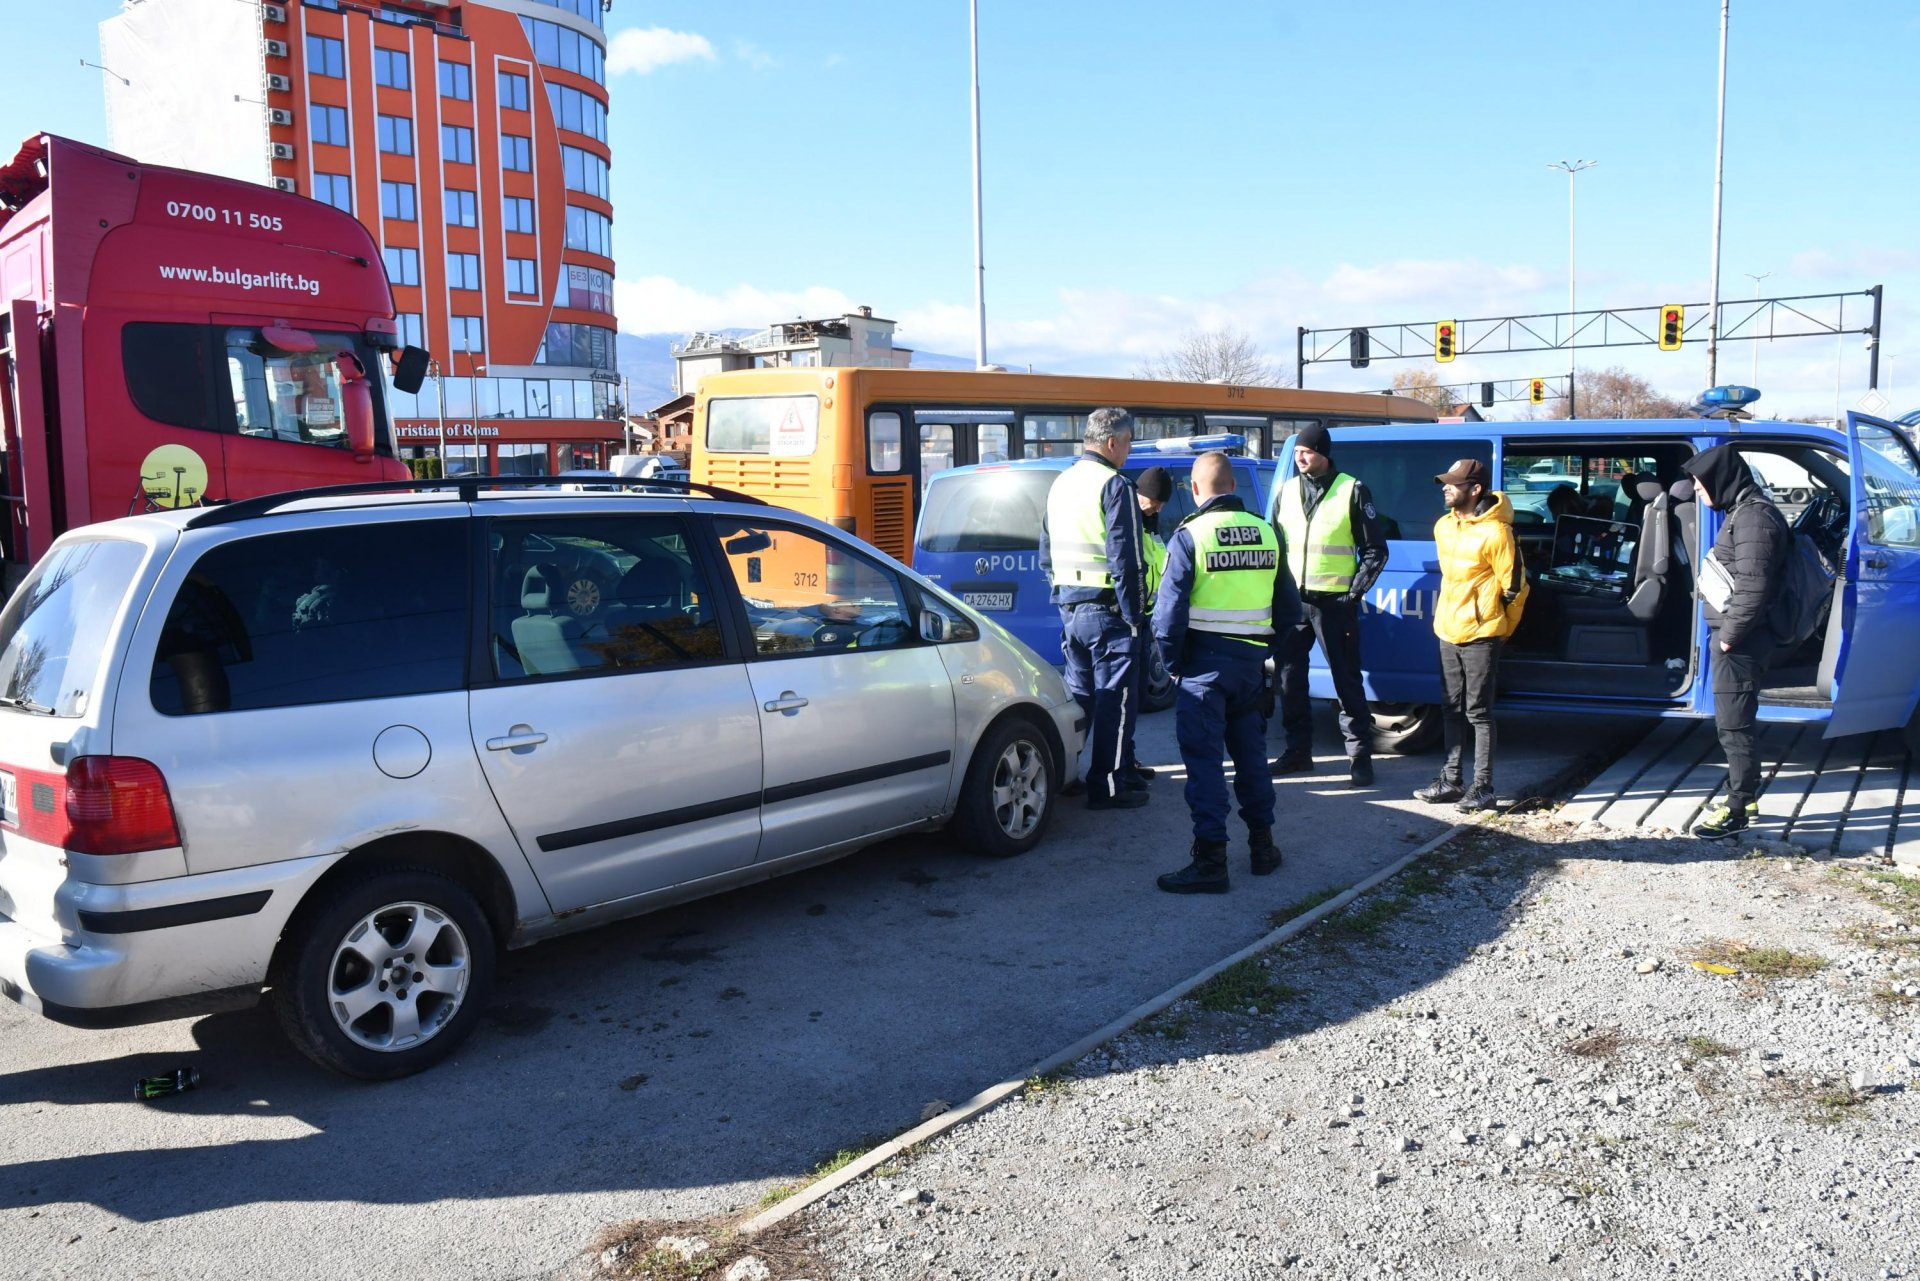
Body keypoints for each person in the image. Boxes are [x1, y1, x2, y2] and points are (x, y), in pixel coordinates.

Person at [1152, 452, 1301, 893]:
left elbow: (1168, 615)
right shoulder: (1267, 533)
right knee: (1252, 759)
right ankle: (1263, 847)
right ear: (1233, 486)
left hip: (1203, 668)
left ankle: (1211, 861)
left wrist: (1175, 664)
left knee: (1205, 766)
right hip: (1249, 667)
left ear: (1196, 489)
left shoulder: (1189, 536)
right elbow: (1289, 611)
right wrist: (1259, 649)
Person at [1038, 407, 1149, 810]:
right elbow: (1128, 560)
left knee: (1081, 699)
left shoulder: (1061, 484)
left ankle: (1066, 774)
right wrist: (1134, 616)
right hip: (1108, 611)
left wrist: (1063, 598)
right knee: (1115, 701)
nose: (1130, 451)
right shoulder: (1115, 485)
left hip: (1071, 608)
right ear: (1112, 443)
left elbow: (1045, 553)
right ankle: (1107, 787)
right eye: (1129, 443)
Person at [1270, 424, 1388, 787]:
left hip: (1334, 604)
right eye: (1297, 452)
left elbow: (1375, 550)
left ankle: (1359, 757)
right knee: (1289, 680)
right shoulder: (1286, 492)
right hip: (1293, 604)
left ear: (1323, 452)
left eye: (1307, 451)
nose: (1300, 457)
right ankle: (1298, 752)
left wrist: (1352, 594)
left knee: (1346, 679)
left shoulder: (1351, 490)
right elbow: (1273, 548)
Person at [1683, 444, 1790, 839]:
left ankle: (1738, 807)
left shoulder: (1754, 519)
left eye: (1699, 483)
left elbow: (1754, 586)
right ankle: (1745, 795)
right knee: (1734, 722)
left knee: (1734, 726)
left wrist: (1729, 638)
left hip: (1741, 641)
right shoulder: (1743, 512)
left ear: (1720, 480)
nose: (1696, 490)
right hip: (1737, 636)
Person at [1414, 458, 1527, 813]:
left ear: (1475, 489)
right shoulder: (1443, 526)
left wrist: (1501, 627)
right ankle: (1450, 781)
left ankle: (1483, 787)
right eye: (1444, 483)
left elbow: (1516, 587)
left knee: (1478, 712)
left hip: (1482, 633)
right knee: (1450, 708)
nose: (1445, 488)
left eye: (1453, 483)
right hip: (1447, 628)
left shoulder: (1497, 532)